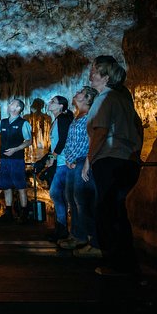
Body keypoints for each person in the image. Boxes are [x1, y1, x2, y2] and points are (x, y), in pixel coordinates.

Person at [83, 56, 144, 277]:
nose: (90, 75)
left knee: (107, 213)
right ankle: (128, 263)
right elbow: (138, 127)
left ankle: (115, 263)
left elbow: (100, 133)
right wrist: (135, 153)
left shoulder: (104, 99)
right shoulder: (123, 100)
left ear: (105, 77)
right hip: (127, 161)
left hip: (109, 160)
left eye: (93, 71)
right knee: (118, 212)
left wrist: (88, 161)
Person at [58, 86, 102, 258]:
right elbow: (71, 141)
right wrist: (69, 158)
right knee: (72, 199)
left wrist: (86, 162)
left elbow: (92, 140)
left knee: (83, 201)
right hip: (73, 162)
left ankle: (94, 241)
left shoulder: (91, 115)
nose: (75, 94)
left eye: (80, 93)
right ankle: (78, 235)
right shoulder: (77, 117)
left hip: (84, 161)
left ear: (88, 99)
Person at [0, 98, 32, 223]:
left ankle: (24, 214)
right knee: (6, 186)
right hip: (4, 159)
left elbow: (28, 141)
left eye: (12, 103)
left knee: (20, 186)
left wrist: (15, 149)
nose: (9, 105)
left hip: (16, 159)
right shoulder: (3, 123)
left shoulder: (23, 123)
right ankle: (9, 213)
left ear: (18, 108)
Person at [45, 96, 74, 242]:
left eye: (53, 102)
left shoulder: (62, 119)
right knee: (59, 195)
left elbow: (63, 139)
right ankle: (61, 228)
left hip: (64, 163)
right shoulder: (56, 120)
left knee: (57, 193)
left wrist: (53, 156)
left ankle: (64, 229)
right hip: (61, 162)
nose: (49, 103)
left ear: (61, 106)